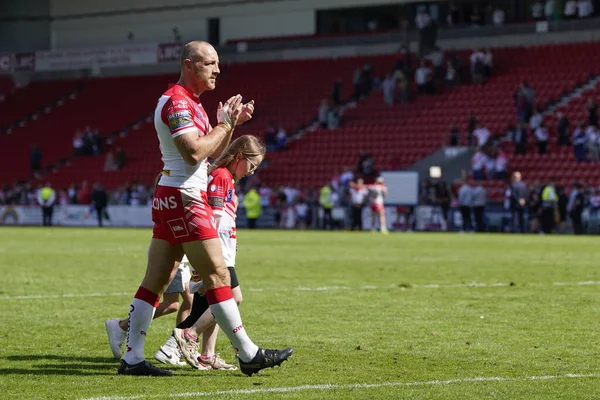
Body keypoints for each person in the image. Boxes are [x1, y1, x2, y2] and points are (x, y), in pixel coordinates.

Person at [117, 41, 292, 377]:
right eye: (210, 63)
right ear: (189, 65)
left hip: (174, 195)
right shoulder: (177, 102)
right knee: (217, 274)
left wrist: (230, 125)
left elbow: (208, 154)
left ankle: (133, 358)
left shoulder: (191, 103)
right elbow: (194, 154)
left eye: (217, 63)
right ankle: (248, 352)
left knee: (155, 281)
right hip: (185, 197)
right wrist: (224, 126)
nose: (217, 69)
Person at [170, 135, 265, 371]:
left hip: (222, 250)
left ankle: (206, 354)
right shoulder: (221, 176)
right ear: (240, 157)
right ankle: (187, 336)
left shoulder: (226, 177)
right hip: (216, 252)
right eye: (252, 166)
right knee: (232, 299)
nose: (252, 172)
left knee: (215, 301)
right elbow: (212, 218)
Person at [105, 255, 194, 366]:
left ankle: (177, 347)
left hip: (181, 261)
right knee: (171, 304)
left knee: (190, 301)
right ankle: (122, 326)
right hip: (175, 260)